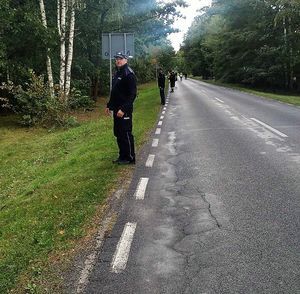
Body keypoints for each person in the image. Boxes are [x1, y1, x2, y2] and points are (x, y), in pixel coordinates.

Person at [105, 52, 137, 165]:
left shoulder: (129, 74)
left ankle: (130, 157)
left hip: (124, 110)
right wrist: (109, 105)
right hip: (116, 109)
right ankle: (122, 156)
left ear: (126, 60)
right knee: (118, 133)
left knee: (125, 133)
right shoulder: (117, 73)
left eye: (120, 58)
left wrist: (123, 109)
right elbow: (115, 92)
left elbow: (132, 95)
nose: (118, 60)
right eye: (116, 59)